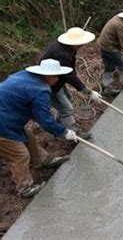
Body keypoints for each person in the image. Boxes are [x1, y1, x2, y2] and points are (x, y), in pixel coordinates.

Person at [0, 59, 78, 197]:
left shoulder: (24, 75)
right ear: (49, 76)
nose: (57, 79)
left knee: (28, 138)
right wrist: (64, 131)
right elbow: (45, 121)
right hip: (3, 124)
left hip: (8, 116)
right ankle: (25, 188)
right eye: (56, 76)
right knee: (19, 155)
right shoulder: (40, 90)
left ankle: (43, 161)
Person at [40, 27, 101, 139]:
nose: (82, 45)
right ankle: (73, 133)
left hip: (58, 80)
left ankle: (61, 124)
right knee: (66, 108)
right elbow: (70, 76)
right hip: (49, 84)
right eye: (80, 43)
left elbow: (68, 72)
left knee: (66, 100)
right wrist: (88, 92)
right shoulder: (61, 53)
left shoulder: (68, 48)